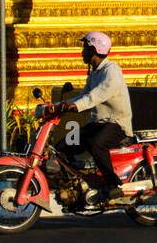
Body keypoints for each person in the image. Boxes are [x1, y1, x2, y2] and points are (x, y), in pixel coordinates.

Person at [42, 31, 134, 201]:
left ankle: (114, 185)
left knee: (95, 144)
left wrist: (77, 105)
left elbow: (100, 94)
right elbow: (84, 96)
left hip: (116, 123)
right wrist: (60, 106)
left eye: (85, 48)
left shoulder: (111, 70)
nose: (82, 52)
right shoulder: (94, 73)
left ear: (94, 49)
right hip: (98, 123)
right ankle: (76, 184)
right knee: (62, 147)